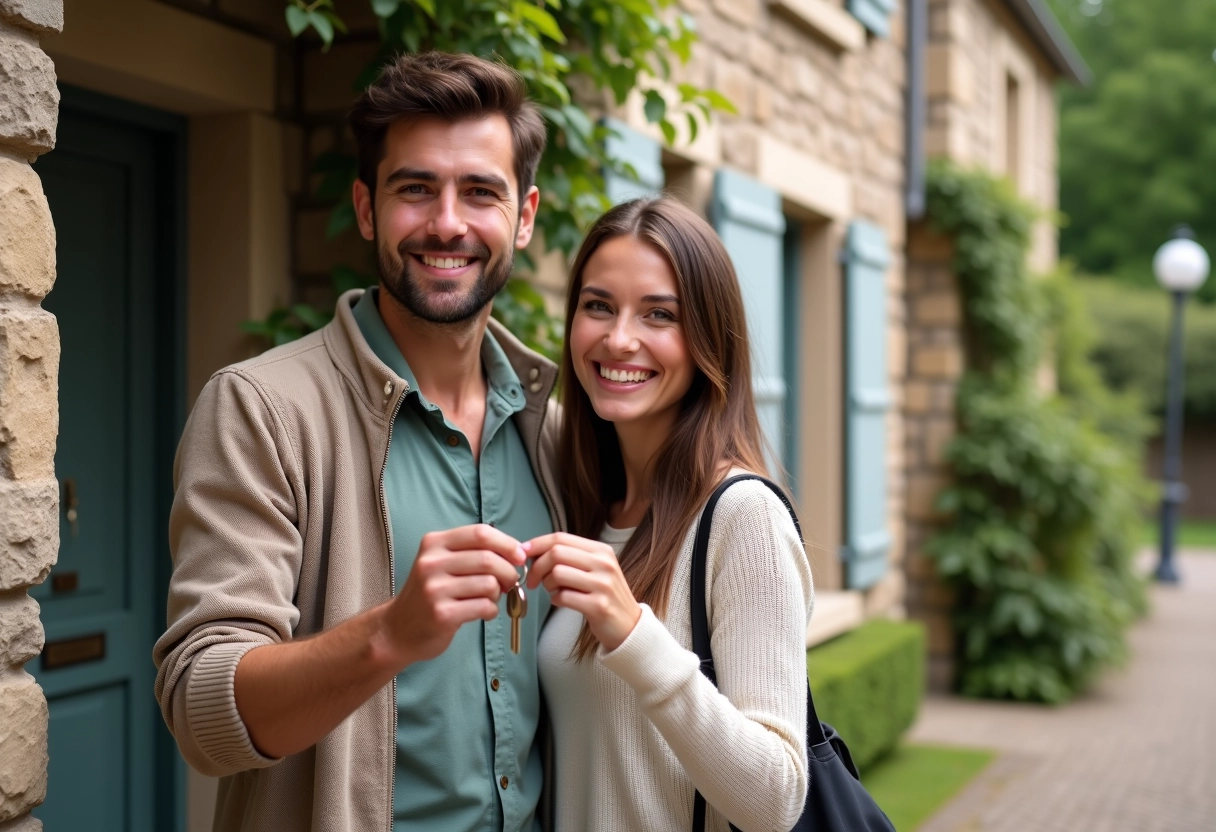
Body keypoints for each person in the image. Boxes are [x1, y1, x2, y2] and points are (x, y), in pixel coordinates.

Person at [153, 51, 565, 832]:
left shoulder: (555, 429)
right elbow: (202, 710)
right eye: (416, 189)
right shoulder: (262, 409)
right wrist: (389, 633)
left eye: (480, 191)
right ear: (368, 208)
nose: (447, 223)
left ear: (525, 215)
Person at [528, 197, 815, 832]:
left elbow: (775, 798)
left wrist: (633, 633)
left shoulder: (743, 517)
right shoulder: (583, 502)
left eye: (659, 314)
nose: (619, 338)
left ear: (707, 339)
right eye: (598, 305)